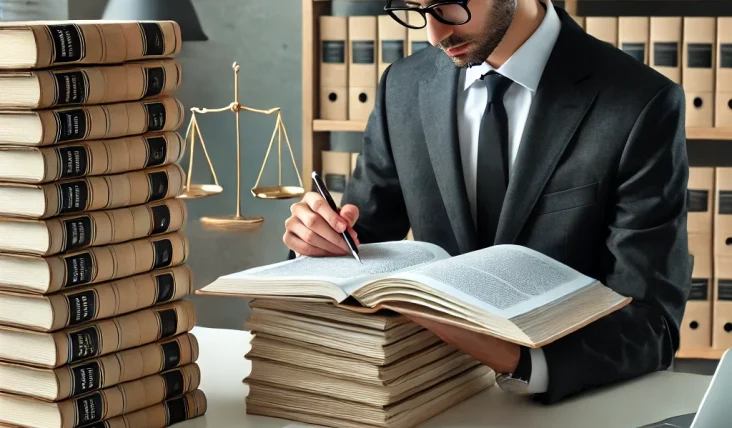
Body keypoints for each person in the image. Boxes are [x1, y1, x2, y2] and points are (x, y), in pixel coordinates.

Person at [283, 0, 692, 404]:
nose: (434, 34)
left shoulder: (641, 102)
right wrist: (319, 239)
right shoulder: (403, 86)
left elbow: (652, 325)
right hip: (426, 392)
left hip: (571, 406)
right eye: (416, 8)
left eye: (447, 5)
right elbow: (361, 249)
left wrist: (521, 360)